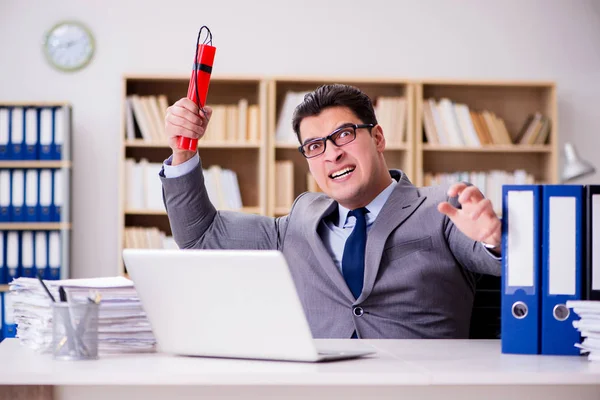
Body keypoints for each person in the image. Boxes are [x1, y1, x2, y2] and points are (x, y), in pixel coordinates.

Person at [159, 84, 502, 339]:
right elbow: (200, 235)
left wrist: (495, 241)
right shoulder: (299, 221)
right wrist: (182, 150)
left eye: (344, 135)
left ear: (378, 137)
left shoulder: (443, 206)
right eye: (315, 145)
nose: (331, 154)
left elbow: (503, 260)